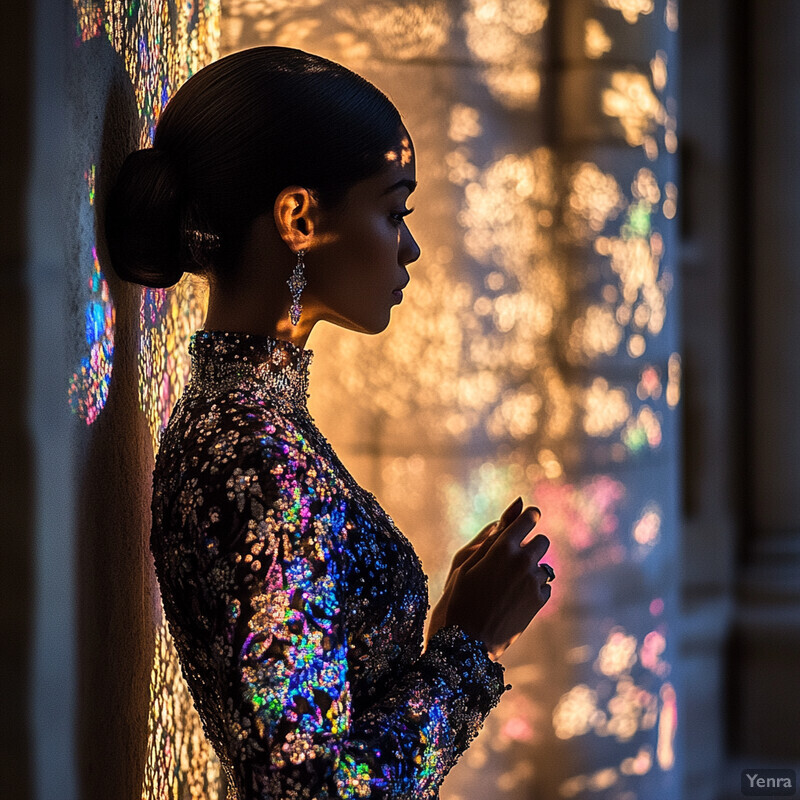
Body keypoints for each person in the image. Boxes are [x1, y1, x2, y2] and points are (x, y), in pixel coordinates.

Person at [105, 46, 554, 800]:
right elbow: (312, 789)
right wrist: (467, 651)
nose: (410, 246)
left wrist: (452, 635)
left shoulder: (259, 428)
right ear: (299, 216)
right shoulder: (250, 456)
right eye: (393, 210)